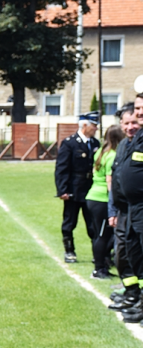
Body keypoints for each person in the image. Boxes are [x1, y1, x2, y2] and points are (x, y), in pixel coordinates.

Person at [55, 111, 101, 263]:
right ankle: (69, 251)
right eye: (94, 125)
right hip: (73, 189)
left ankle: (98, 254)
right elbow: (62, 168)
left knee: (93, 224)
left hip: (91, 190)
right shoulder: (70, 143)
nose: (96, 129)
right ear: (84, 125)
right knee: (69, 222)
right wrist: (62, 190)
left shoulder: (95, 144)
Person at [108, 102, 141, 309]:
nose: (130, 127)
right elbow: (115, 180)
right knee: (123, 253)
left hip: (137, 209)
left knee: (136, 254)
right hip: (123, 210)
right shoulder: (123, 146)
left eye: (134, 122)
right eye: (126, 123)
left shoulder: (139, 142)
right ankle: (130, 292)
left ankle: (137, 298)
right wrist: (113, 210)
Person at [85, 125, 124, 279]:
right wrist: (114, 202)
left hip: (93, 197)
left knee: (99, 234)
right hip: (101, 199)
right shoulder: (113, 155)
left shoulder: (101, 152)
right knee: (103, 235)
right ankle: (98, 268)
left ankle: (102, 264)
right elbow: (110, 180)